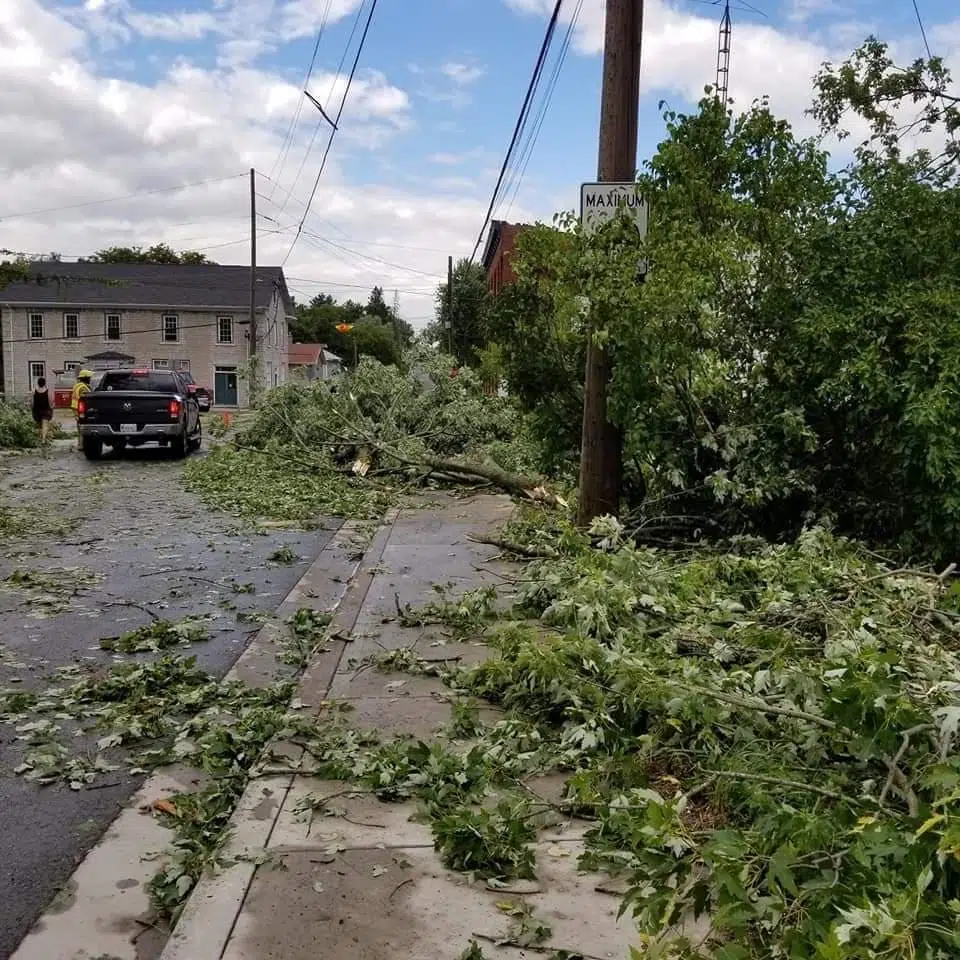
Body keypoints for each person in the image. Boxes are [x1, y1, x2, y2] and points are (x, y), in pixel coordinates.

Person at [70, 369, 93, 451]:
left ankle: (80, 444)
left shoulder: (77, 385)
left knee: (80, 427)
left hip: (76, 408)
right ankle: (81, 445)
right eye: (89, 378)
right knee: (82, 427)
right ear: (85, 378)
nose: (90, 379)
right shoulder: (83, 387)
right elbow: (85, 398)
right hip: (80, 410)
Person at [31, 377, 53, 448]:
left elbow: (32, 402)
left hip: (36, 411)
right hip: (46, 410)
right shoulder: (48, 391)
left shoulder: (34, 391)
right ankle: (43, 440)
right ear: (44, 383)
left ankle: (40, 439)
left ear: (38, 383)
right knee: (45, 426)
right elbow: (50, 402)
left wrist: (31, 408)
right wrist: (51, 407)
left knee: (40, 426)